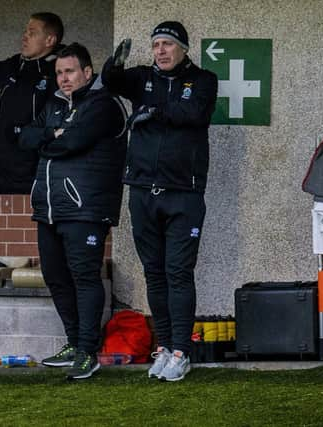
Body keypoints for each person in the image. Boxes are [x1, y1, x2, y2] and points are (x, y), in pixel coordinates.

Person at [101, 21, 218, 381]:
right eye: (156, 45)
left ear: (183, 48)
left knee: (178, 272)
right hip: (142, 191)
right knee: (155, 273)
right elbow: (111, 82)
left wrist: (156, 110)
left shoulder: (202, 80)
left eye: (168, 44)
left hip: (184, 194)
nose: (161, 51)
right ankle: (164, 347)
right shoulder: (142, 78)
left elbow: (196, 114)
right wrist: (113, 65)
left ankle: (182, 350)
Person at [20, 43, 128, 380]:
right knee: (56, 276)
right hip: (49, 208)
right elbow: (25, 137)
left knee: (85, 277)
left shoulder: (104, 104)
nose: (63, 79)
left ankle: (87, 350)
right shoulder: (52, 105)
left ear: (87, 72)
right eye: (58, 73)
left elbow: (73, 143)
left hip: (86, 207)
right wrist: (52, 133)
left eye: (69, 72)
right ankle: (72, 342)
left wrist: (49, 138)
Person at [0, 12, 64, 194]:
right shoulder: (13, 66)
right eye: (25, 31)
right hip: (4, 172)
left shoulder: (61, 72)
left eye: (32, 32)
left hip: (41, 175)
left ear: (49, 40)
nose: (24, 36)